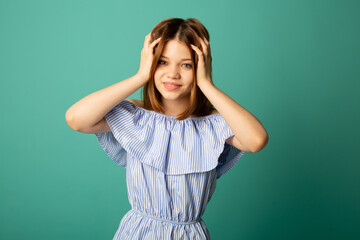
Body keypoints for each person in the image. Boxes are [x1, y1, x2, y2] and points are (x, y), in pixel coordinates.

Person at [65, 17, 268, 240]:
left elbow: (256, 140)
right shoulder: (136, 116)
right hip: (138, 233)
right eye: (162, 62)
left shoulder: (214, 124)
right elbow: (76, 118)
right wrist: (140, 76)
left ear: (201, 66)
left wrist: (207, 84)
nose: (173, 74)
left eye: (186, 64)